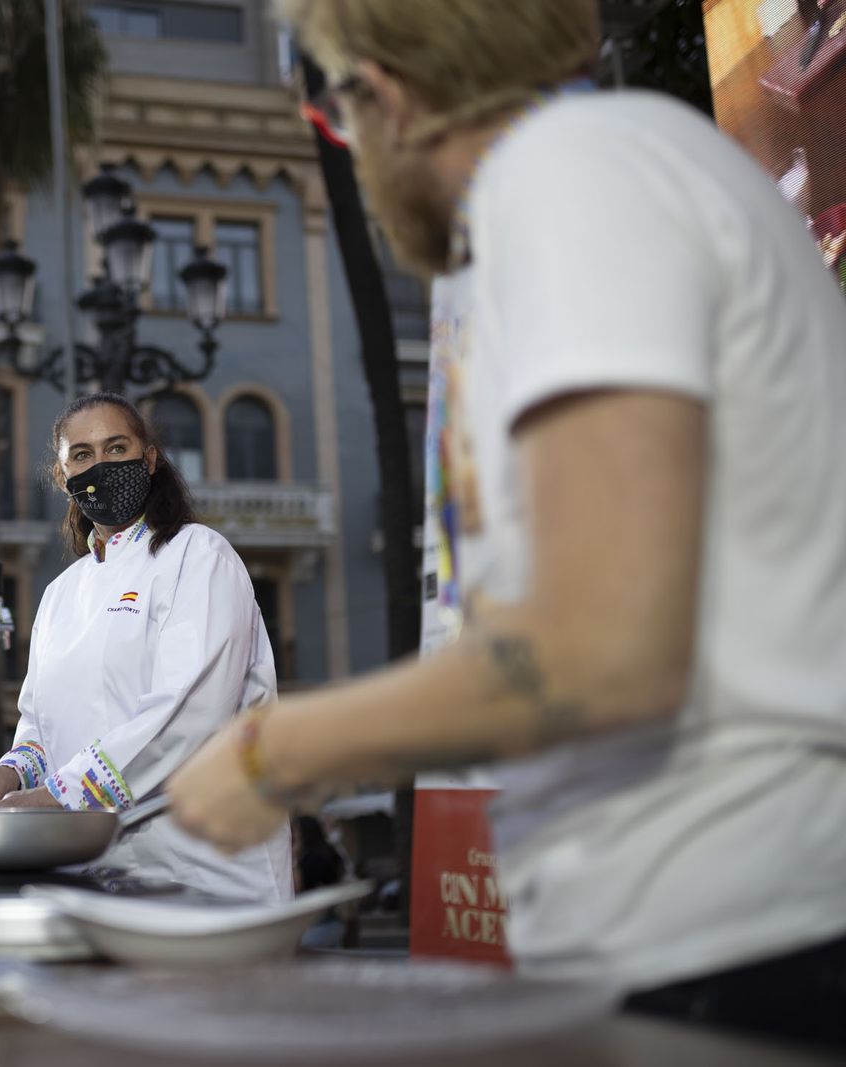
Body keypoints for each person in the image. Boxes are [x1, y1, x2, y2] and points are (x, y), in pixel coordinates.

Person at [171, 0, 846, 1047]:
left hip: (737, 937)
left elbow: (597, 652)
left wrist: (273, 751)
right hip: (695, 934)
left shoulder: (572, 173)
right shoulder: (596, 178)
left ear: (386, 97)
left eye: (340, 113)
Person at [0, 392, 293, 902]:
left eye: (116, 448)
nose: (100, 466)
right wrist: (12, 771)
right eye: (81, 455)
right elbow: (39, 727)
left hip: (204, 865)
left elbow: (185, 714)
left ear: (149, 460)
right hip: (92, 867)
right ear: (63, 478)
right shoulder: (59, 594)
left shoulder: (198, 555)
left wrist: (58, 797)